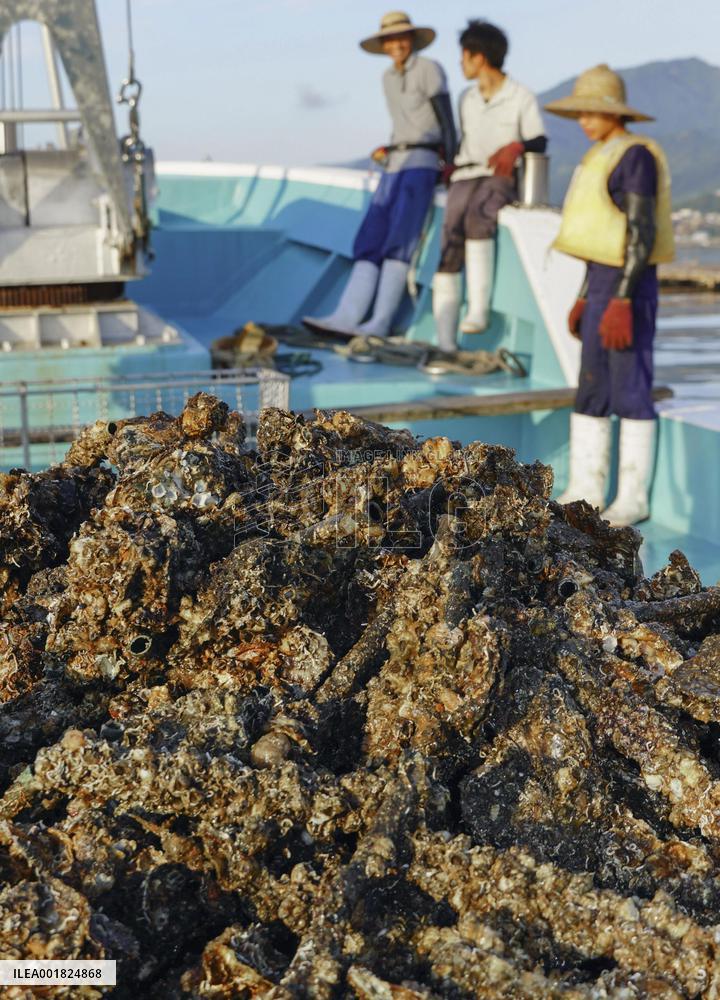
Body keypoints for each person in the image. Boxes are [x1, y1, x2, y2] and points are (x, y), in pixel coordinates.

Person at [545, 64, 674, 526]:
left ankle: (633, 499)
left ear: (614, 113)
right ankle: (586, 488)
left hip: (630, 287)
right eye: (579, 111)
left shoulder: (635, 155)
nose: (583, 120)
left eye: (592, 112)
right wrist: (584, 295)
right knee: (592, 387)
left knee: (631, 387)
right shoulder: (598, 154)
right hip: (600, 282)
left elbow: (641, 232)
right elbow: (599, 236)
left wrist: (622, 300)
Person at [303, 11, 456, 338]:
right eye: (390, 39)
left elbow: (446, 120)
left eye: (402, 38)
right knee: (371, 234)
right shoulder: (387, 78)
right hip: (395, 163)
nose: (396, 44)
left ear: (412, 40)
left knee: (401, 238)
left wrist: (451, 163)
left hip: (422, 162)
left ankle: (380, 321)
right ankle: (347, 315)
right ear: (384, 45)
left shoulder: (430, 70)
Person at [432, 20, 546, 351]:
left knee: (479, 217)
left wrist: (516, 148)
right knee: (451, 231)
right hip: (466, 173)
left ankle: (478, 310)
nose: (461, 63)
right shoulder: (467, 98)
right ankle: (445, 340)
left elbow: (538, 139)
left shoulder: (520, 96)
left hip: (500, 174)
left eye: (463, 56)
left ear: (477, 57)